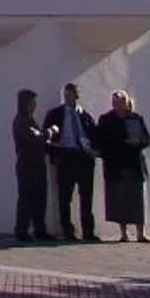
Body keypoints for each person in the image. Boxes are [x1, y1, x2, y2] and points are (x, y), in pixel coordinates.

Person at [43, 81, 100, 242]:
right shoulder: (56, 114)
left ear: (77, 96)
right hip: (66, 156)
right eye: (65, 96)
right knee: (64, 197)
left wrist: (95, 151)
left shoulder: (85, 116)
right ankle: (68, 231)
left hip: (83, 157)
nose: (67, 98)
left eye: (70, 95)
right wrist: (55, 155)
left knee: (86, 196)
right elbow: (46, 136)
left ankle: (88, 231)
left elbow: (94, 135)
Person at [95, 89, 150, 243]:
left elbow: (147, 139)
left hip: (134, 163)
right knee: (120, 200)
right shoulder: (106, 119)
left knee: (136, 199)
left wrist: (138, 142)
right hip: (115, 163)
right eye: (115, 103)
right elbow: (100, 140)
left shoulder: (135, 118)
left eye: (120, 103)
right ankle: (124, 233)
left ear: (127, 103)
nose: (117, 106)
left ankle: (140, 233)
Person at [8, 88, 51, 242]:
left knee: (40, 198)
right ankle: (22, 230)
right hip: (27, 165)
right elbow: (33, 139)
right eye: (32, 102)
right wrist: (48, 134)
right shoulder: (21, 121)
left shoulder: (30, 120)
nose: (34, 105)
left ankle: (40, 229)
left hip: (37, 164)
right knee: (26, 198)